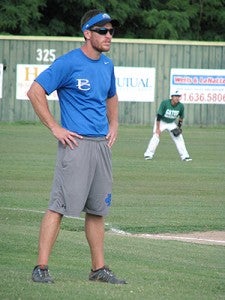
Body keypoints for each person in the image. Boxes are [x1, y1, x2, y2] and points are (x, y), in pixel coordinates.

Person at [27, 9, 127, 285]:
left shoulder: (107, 65)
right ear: (87, 33)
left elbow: (112, 96)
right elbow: (35, 91)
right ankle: (41, 267)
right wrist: (55, 127)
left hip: (101, 146)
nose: (109, 36)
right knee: (58, 206)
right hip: (76, 144)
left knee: (97, 209)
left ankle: (98, 269)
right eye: (102, 31)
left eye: (111, 31)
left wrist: (114, 123)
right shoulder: (69, 63)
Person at [144, 90, 192, 161]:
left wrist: (178, 127)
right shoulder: (165, 103)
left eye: (179, 96)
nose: (177, 98)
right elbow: (159, 116)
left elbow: (181, 118)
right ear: (172, 97)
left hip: (171, 123)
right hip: (161, 121)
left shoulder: (181, 106)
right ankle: (148, 155)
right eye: (175, 96)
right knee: (156, 136)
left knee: (179, 137)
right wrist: (158, 128)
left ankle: (185, 156)